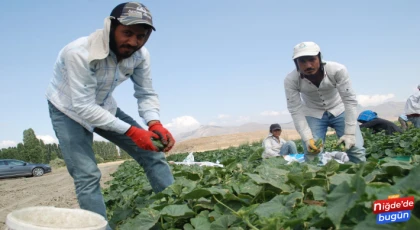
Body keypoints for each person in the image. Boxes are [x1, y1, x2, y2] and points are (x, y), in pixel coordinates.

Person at [45, 2, 175, 228]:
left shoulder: (140, 55)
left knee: (153, 154)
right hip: (68, 110)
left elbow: (145, 92)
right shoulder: (79, 52)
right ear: (111, 27)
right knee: (87, 175)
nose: (134, 42)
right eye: (127, 33)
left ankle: (177, 210)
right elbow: (83, 107)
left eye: (141, 36)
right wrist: (133, 131)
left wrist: (154, 122)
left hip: (103, 105)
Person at [284, 41, 366, 163]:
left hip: (339, 109)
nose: (308, 66)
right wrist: (307, 138)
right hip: (313, 113)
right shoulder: (291, 80)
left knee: (356, 149)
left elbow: (349, 101)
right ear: (296, 63)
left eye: (312, 59)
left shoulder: (337, 70)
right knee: (312, 153)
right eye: (302, 61)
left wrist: (349, 133)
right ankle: (316, 180)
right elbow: (295, 109)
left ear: (320, 58)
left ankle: (360, 178)